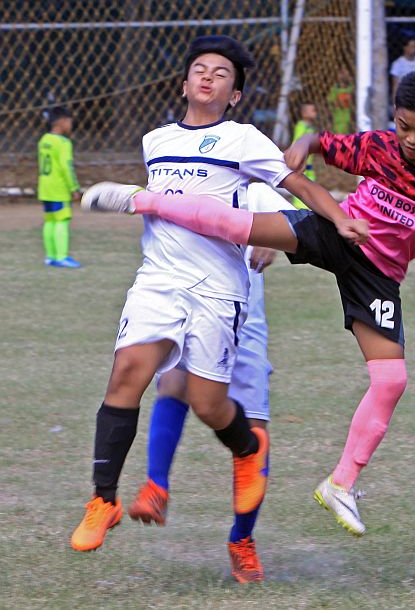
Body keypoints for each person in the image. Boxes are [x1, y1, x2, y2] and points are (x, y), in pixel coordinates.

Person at [81, 70, 415, 537]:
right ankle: (144, 200)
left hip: (378, 277)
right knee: (236, 224)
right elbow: (320, 141)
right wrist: (302, 145)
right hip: (337, 232)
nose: (412, 139)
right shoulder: (379, 146)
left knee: (392, 379)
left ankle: (340, 484)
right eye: (403, 126)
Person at [70, 34, 367, 555]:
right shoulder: (155, 140)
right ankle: (104, 500)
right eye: (199, 70)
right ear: (184, 83)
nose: (208, 77)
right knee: (126, 374)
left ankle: (247, 451)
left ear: (233, 95)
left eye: (221, 74)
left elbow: (298, 186)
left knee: (208, 404)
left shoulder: (243, 139)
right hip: (158, 279)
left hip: (218, 290)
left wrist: (339, 217)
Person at [128, 183, 293, 583]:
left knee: (254, 431)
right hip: (193, 309)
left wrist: (275, 239)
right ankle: (156, 487)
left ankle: (242, 540)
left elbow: (294, 217)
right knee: (173, 383)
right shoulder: (185, 176)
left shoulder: (254, 183)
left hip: (244, 322)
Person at [37, 106, 82, 268]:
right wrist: (74, 187)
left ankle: (50, 256)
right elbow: (66, 166)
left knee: (49, 221)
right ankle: (62, 257)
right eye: (70, 121)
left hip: (45, 187)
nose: (71, 124)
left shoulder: (44, 140)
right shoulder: (63, 142)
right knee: (62, 220)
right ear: (62, 121)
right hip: (59, 188)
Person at [290, 102, 319, 208]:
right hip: (302, 164)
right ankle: (300, 207)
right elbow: (296, 142)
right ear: (304, 113)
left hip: (308, 165)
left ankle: (308, 206)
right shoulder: (301, 126)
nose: (315, 113)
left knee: (311, 185)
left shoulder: (310, 127)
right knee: (302, 185)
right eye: (313, 111)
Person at [327, 68, 354, 134]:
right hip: (338, 121)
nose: (343, 75)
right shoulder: (335, 89)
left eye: (345, 73)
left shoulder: (351, 88)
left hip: (348, 120)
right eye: (341, 73)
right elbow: (331, 101)